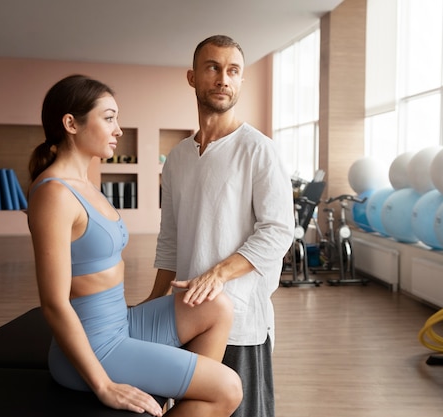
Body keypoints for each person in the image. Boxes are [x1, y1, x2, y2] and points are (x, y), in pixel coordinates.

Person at [27, 74, 242, 417]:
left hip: (120, 324)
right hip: (95, 346)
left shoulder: (83, 183)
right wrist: (104, 385)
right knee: (227, 389)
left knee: (217, 306)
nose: (118, 130)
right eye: (109, 118)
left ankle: (180, 397)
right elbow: (53, 304)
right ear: (71, 123)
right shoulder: (55, 194)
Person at [148, 35, 294, 417]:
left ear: (241, 81)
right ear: (192, 77)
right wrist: (153, 301)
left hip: (241, 318)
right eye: (213, 67)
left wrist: (217, 275)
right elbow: (171, 240)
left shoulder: (259, 150)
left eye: (233, 71)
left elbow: (278, 231)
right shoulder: (177, 158)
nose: (223, 79)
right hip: (185, 314)